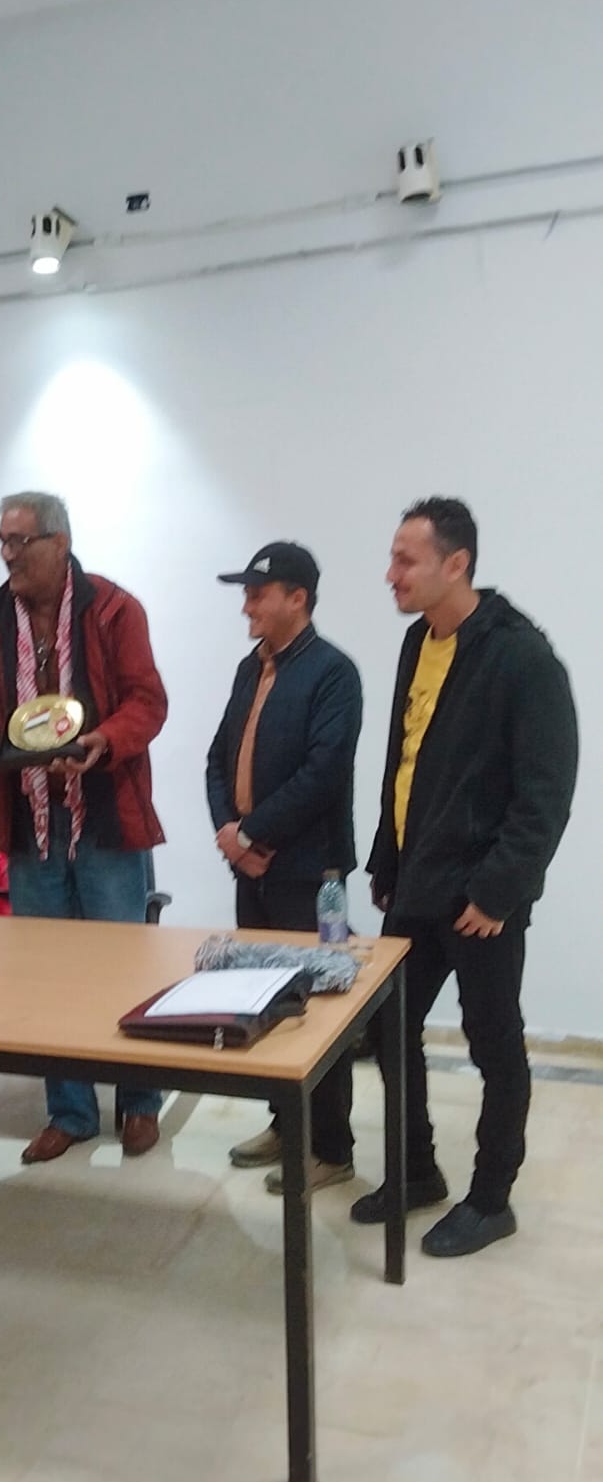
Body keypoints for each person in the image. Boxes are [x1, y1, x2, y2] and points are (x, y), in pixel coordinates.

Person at [352, 497, 579, 1256]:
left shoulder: (522, 657)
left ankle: (490, 1200)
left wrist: (498, 891)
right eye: (392, 557)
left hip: (480, 897)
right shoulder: (417, 641)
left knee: (493, 1044)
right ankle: (416, 1171)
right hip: (416, 883)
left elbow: (545, 791)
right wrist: (386, 859)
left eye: (405, 560)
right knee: (390, 1029)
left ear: (457, 564)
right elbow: (406, 762)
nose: (391, 574)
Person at [0, 491, 167, 1163]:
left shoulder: (113, 608)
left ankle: (139, 1102)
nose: (7, 555)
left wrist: (104, 742)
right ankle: (71, 1112)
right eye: (2, 541)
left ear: (60, 542)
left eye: (19, 541)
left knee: (123, 966)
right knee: (46, 974)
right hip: (30, 822)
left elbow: (147, 701)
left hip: (105, 815)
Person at [206, 541, 363, 1194]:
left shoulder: (333, 673)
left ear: (297, 598)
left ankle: (330, 1147)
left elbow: (322, 773)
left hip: (309, 875)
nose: (246, 605)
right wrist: (229, 833)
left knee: (316, 1007)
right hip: (251, 869)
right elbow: (217, 758)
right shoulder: (252, 667)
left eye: (257, 594)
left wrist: (252, 831)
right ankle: (284, 1122)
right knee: (264, 1002)